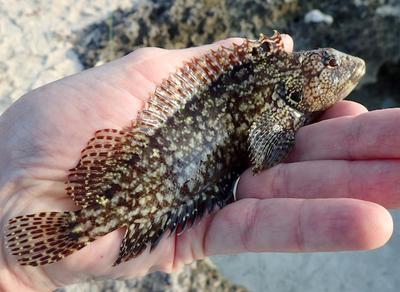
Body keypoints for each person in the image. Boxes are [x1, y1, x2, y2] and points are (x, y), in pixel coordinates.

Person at [0, 34, 396, 291]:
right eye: (328, 62)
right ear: (299, 77)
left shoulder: (280, 93)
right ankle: (73, 229)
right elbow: (265, 153)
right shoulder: (273, 83)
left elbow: (262, 153)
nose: (345, 67)